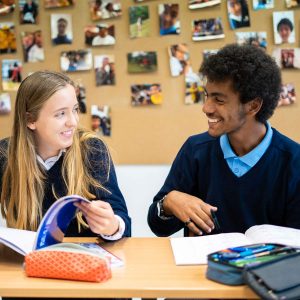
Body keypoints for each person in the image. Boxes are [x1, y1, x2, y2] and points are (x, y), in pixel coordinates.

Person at [148, 44, 300, 238]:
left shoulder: (294, 162)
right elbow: (158, 227)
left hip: (268, 268)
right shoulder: (195, 150)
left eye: (219, 100)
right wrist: (168, 202)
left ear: (253, 106)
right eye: (206, 96)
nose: (206, 108)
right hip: (200, 268)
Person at [0, 71, 131, 244]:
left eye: (75, 110)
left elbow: (124, 224)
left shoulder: (92, 149)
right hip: (28, 264)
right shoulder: (5, 154)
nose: (73, 122)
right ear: (30, 120)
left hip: (82, 261)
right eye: (60, 114)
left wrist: (112, 226)